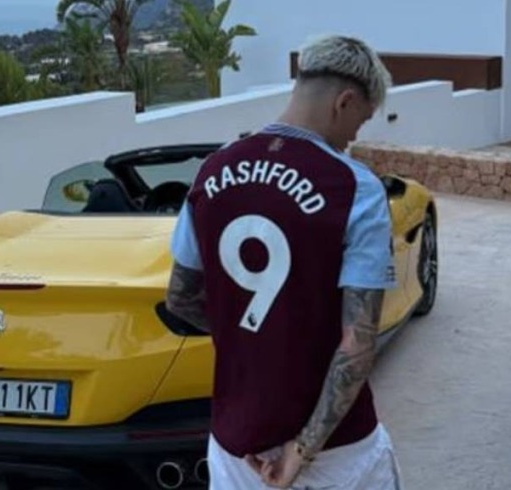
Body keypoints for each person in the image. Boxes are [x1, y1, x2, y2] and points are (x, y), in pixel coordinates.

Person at [165, 33, 402, 489]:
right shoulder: (355, 188)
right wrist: (301, 450)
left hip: (237, 446)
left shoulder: (211, 171)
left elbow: (180, 298)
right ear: (345, 101)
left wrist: (255, 338)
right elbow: (357, 342)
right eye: (361, 120)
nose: (355, 136)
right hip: (338, 455)